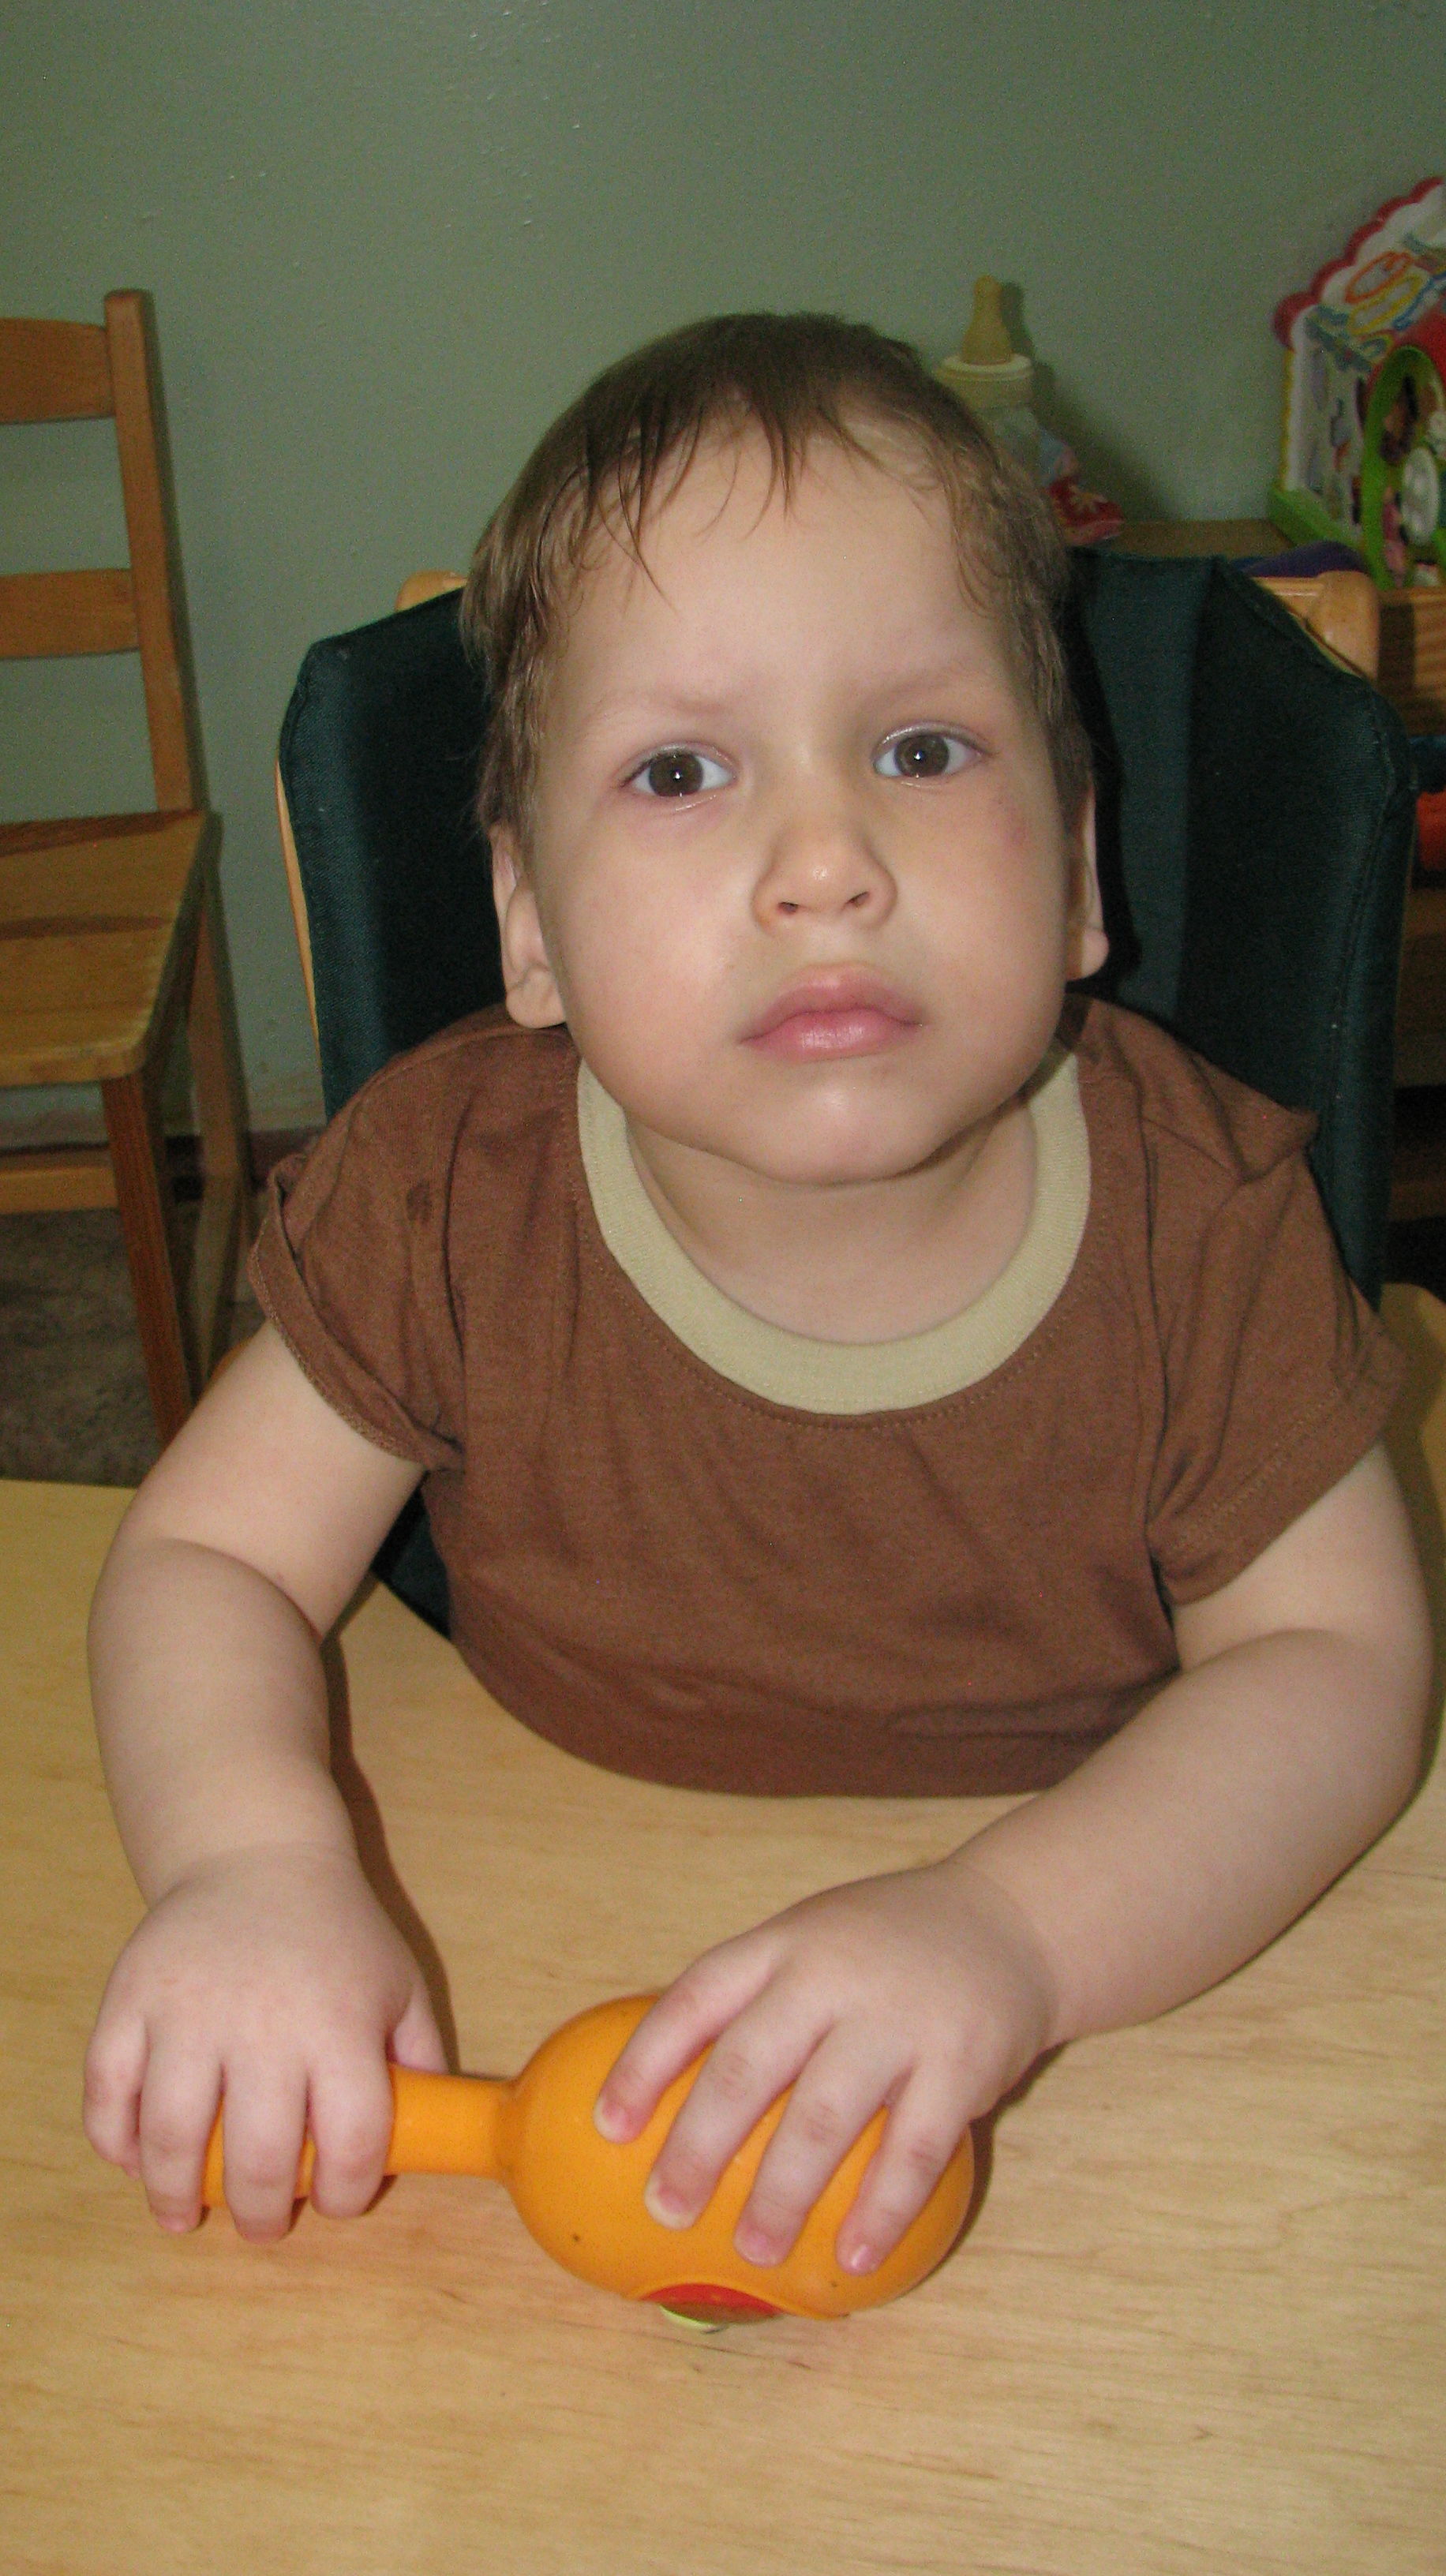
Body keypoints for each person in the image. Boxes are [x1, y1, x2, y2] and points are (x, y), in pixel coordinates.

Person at [84, 314, 1431, 2289]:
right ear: (529, 927)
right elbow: (204, 1556)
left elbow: (1337, 1673)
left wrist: (1010, 1934)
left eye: (918, 750)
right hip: (530, 1882)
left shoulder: (1201, 1223)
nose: (823, 863)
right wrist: (249, 1864)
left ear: (1075, 868)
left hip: (1113, 1960)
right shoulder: (443, 1192)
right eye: (680, 770)